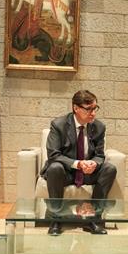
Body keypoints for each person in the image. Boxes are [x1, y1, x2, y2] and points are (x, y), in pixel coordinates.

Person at [40, 90, 117, 236]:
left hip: (88, 173)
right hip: (66, 172)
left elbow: (100, 155)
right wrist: (78, 164)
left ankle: (93, 219)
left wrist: (94, 164)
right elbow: (53, 154)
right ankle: (56, 219)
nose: (93, 113)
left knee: (109, 168)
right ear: (76, 108)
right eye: (88, 109)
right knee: (54, 167)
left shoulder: (99, 127)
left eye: (95, 108)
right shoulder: (59, 125)